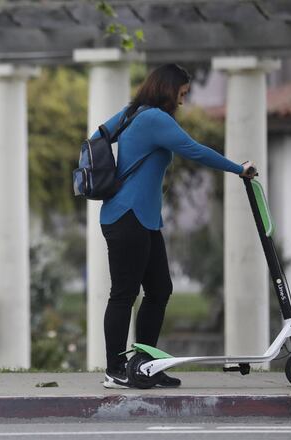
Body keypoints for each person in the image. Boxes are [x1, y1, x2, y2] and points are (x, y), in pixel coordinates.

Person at [95, 64, 257, 389]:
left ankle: (145, 365)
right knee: (124, 294)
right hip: (128, 217)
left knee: (159, 290)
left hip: (140, 219)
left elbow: (99, 136)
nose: (182, 101)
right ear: (169, 89)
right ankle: (115, 370)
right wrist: (237, 168)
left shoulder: (132, 112)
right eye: (182, 93)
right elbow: (193, 149)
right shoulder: (155, 118)